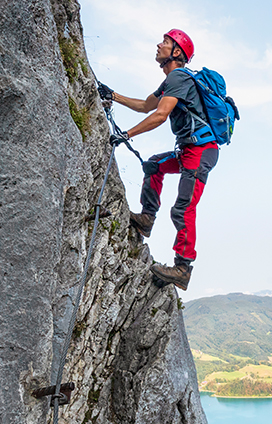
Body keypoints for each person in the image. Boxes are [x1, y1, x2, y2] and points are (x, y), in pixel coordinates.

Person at [98, 29, 218, 291]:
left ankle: (182, 268)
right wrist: (113, 95)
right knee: (153, 165)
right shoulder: (172, 81)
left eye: (165, 42)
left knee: (183, 207)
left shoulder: (178, 77)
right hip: (189, 150)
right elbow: (146, 105)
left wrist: (126, 134)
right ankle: (147, 219)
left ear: (176, 52)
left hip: (200, 150)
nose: (158, 45)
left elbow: (161, 115)